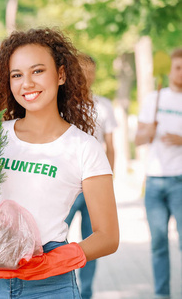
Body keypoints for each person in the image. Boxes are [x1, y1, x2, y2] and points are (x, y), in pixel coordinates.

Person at [0, 27, 119, 298]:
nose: (26, 83)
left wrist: (51, 263)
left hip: (50, 284)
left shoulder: (84, 148)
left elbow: (108, 237)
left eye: (37, 71)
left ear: (61, 75)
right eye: (16, 75)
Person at [65, 53, 117, 299]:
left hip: (94, 187)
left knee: (93, 242)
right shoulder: (63, 104)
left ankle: (86, 292)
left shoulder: (104, 105)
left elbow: (110, 146)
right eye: (83, 71)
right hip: (68, 186)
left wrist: (110, 180)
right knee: (56, 238)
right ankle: (60, 286)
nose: (88, 76)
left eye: (92, 72)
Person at [135, 47, 182, 299]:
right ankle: (162, 295)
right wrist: (147, 133)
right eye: (178, 67)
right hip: (154, 182)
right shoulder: (154, 99)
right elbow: (138, 140)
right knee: (158, 244)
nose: (181, 73)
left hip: (180, 181)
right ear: (171, 68)